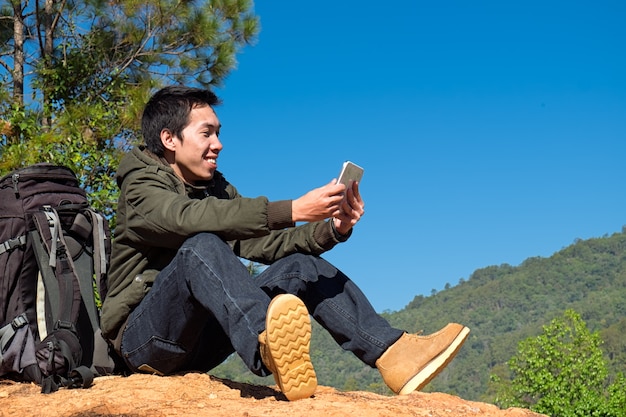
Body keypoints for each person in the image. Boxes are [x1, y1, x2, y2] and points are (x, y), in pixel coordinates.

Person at [100, 85, 470, 401]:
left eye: (218, 133)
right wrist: (292, 208)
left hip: (202, 341)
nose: (219, 144)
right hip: (145, 342)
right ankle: (270, 345)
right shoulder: (139, 186)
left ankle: (394, 354)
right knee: (201, 244)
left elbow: (263, 242)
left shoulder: (216, 189)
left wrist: (332, 229)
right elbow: (184, 219)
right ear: (169, 139)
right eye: (206, 133)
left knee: (300, 268)